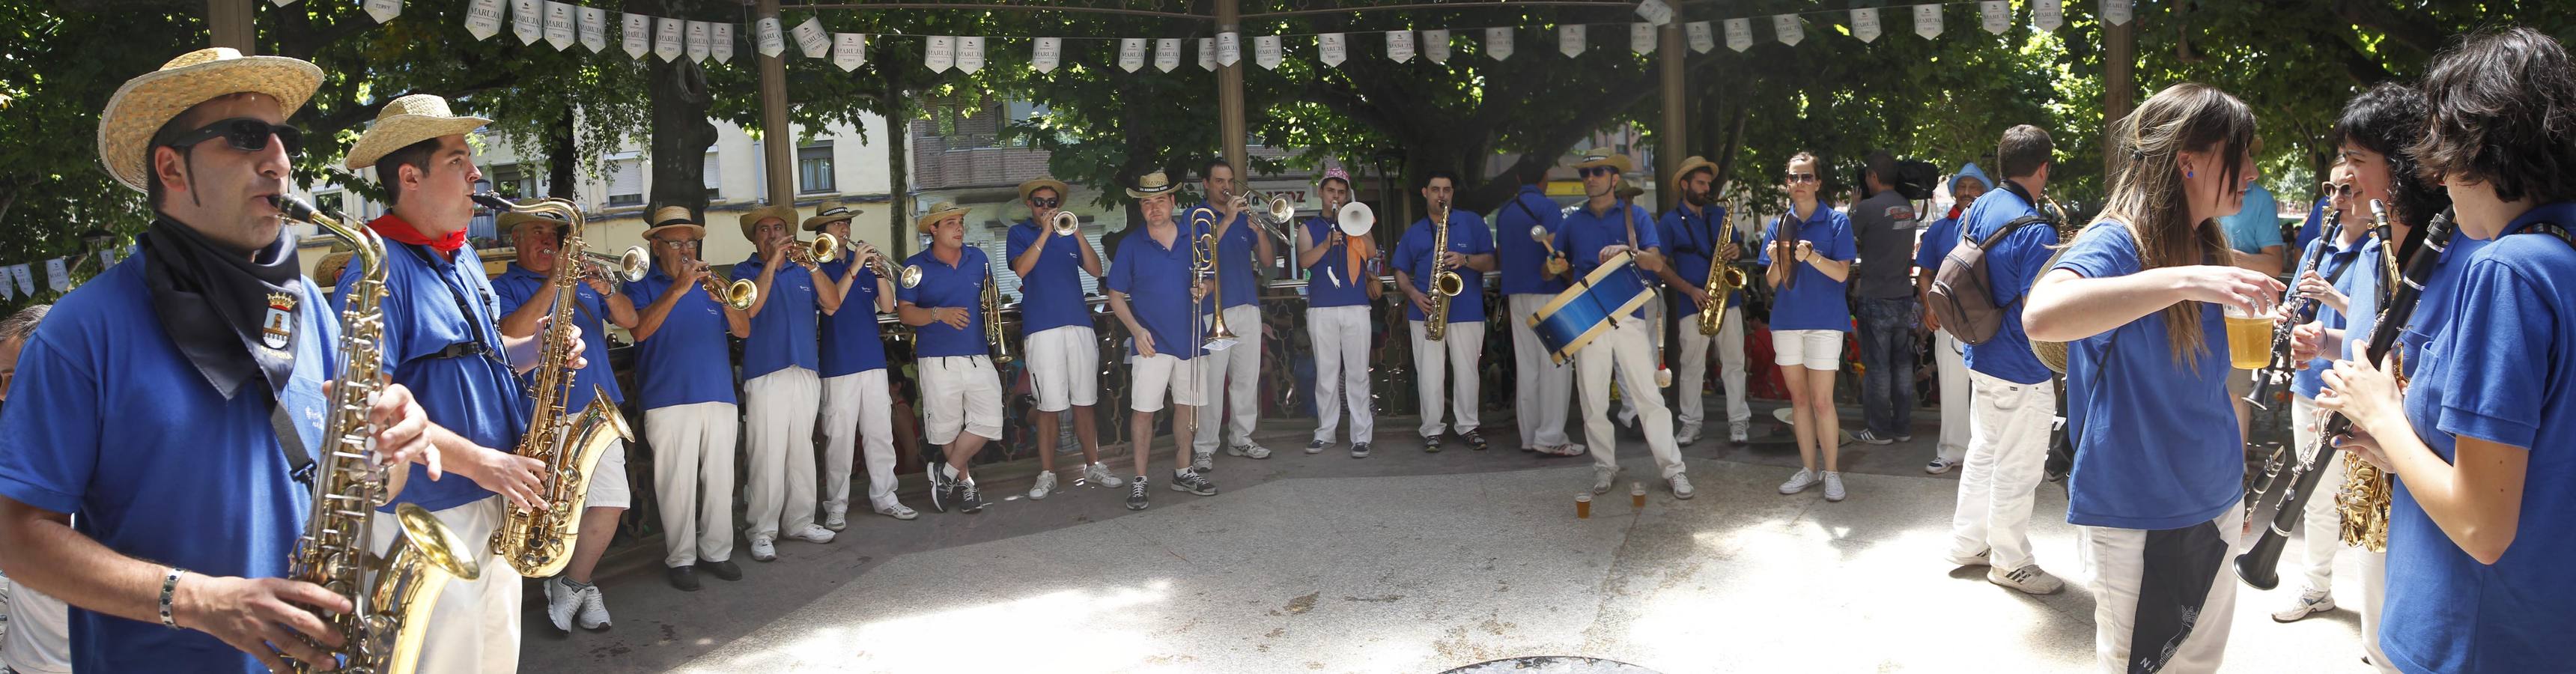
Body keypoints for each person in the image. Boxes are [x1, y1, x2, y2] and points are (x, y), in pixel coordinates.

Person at [0, 50, 449, 673]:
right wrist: (199, 601)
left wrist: (390, 451)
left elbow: (365, 488)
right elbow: (16, 538)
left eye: (283, 138)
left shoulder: (312, 311)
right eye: (244, 137)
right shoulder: (81, 331)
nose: (280, 160)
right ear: (171, 168)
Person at [2317, 27, 2576, 673]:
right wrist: (2401, 454)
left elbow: (2482, 528)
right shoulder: (2562, 253)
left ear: (2476, 147)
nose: (2433, 169)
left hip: (2475, 637)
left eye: (2439, 143)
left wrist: (2381, 413)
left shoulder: (2508, 270)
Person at [2023, 82, 2284, 673]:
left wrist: (2235, 482)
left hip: (2212, 496)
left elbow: (2218, 384)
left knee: (2197, 665)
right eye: (2239, 154)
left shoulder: (2206, 241)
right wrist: (2189, 280)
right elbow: (2042, 313)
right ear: (2188, 159)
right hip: (2140, 510)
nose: (2254, 170)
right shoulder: (2120, 239)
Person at [341, 92, 588, 674]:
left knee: (496, 659)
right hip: (429, 514)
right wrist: (481, 462)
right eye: (458, 160)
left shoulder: (464, 255)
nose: (477, 172)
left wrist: (541, 351)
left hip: (496, 493)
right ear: (410, 175)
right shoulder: (374, 271)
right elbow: (370, 411)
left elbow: (487, 355)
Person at [2284, 82, 2457, 671]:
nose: (2344, 182)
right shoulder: (2368, 255)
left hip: (2422, 469)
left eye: (2357, 163)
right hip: (2377, 458)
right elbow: (2366, 343)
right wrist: (2325, 343)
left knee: (2410, 616)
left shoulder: (2453, 260)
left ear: (2404, 169)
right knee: (2378, 604)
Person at [490, 213, 641, 632]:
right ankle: (564, 584)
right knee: (550, 510)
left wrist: (608, 290)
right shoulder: (504, 286)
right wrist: (555, 282)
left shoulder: (583, 281)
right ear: (516, 241)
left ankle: (575, 584)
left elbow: (630, 321)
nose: (547, 239)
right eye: (536, 232)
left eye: (551, 233)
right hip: (541, 413)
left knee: (611, 501)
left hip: (596, 409)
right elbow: (508, 331)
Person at [1941, 127, 2071, 595]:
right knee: (2018, 467)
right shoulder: (2036, 228)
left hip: (1980, 352)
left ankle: (1968, 544)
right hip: (2021, 363)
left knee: (1984, 453)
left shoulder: (1977, 207)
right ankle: (2011, 562)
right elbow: (2043, 306)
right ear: (2043, 169)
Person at [620, 207, 753, 591]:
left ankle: (717, 552)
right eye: (676, 242)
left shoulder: (713, 283)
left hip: (718, 394)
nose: (686, 249)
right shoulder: (641, 284)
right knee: (675, 483)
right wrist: (678, 288)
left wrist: (725, 299)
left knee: (720, 478)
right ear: (657, 246)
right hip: (668, 396)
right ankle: (681, 559)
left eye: (690, 242)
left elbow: (743, 330)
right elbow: (640, 330)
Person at [1552, 151, 1691, 499]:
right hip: (1587, 316)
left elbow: (1657, 262)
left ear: (1615, 179)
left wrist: (1629, 252)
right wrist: (1552, 267)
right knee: (1593, 399)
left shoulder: (1636, 215)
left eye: (1598, 172)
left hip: (1627, 312)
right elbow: (1552, 266)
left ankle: (1674, 469)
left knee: (1648, 395)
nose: (1590, 178)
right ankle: (1604, 466)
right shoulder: (1571, 222)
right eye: (1585, 173)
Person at [2269, 162, 2363, 625]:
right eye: (2331, 188)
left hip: (2356, 392)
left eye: (2348, 188)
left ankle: (2381, 610)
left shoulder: (2381, 250)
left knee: (2361, 499)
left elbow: (2387, 320)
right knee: (2314, 492)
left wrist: (2332, 298)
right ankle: (2316, 586)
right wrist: (2285, 316)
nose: (2337, 198)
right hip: (2311, 385)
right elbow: (2294, 304)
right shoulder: (2316, 248)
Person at [1104, 171, 1219, 509]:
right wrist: (1137, 331)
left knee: (1187, 408)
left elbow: (1211, 280)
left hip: (1192, 336)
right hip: (1150, 343)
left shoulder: (1194, 236)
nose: (1154, 208)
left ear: (1172, 202)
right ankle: (1139, 480)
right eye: (1147, 202)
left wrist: (1205, 288)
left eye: (1160, 200)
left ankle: (1183, 471)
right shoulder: (1131, 245)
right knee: (1143, 412)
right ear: (1141, 208)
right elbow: (1115, 296)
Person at [1003, 178, 1126, 497]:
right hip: (1041, 328)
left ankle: (1093, 465)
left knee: (1085, 400)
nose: (1046, 207)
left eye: (1051, 203)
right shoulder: (1019, 234)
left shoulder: (1069, 232)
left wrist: (1077, 231)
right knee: (1048, 405)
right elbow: (1021, 269)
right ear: (1030, 205)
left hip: (1078, 325)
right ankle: (1047, 473)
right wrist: (1045, 232)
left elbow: (1097, 269)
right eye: (1040, 202)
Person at [732, 204, 840, 556]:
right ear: (755, 237)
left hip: (806, 368)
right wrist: (771, 266)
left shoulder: (805, 268)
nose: (772, 234)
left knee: (801, 450)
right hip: (766, 371)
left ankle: (800, 521)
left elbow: (833, 303)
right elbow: (748, 309)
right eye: (764, 230)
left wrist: (812, 266)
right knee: (766, 453)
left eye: (777, 228)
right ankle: (761, 530)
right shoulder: (744, 271)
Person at [809, 202, 923, 523]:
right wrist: (855, 268)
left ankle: (886, 496)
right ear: (822, 232)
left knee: (879, 433)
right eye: (836, 225)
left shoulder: (860, 264)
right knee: (839, 439)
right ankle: (837, 505)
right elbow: (830, 306)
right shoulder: (818, 265)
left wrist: (881, 272)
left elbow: (887, 305)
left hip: (872, 361)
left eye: (846, 223)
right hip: (838, 363)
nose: (844, 229)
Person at [897, 203, 1007, 514]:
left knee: (989, 421)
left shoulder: (979, 258)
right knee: (947, 428)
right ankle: (967, 484)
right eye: (951, 223)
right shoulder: (916, 266)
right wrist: (938, 314)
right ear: (933, 229)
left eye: (960, 222)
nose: (960, 228)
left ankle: (943, 474)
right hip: (937, 358)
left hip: (977, 353)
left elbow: (989, 298)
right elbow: (905, 313)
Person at [1762, 152, 1858, 503]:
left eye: (1806, 177)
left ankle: (1832, 473)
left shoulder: (1836, 222)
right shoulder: (1777, 225)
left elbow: (1842, 273)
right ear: (1787, 183)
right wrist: (1777, 259)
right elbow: (1773, 281)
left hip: (1824, 322)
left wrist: (1811, 256)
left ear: (1818, 182)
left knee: (1822, 401)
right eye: (1793, 177)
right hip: (1786, 322)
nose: (1799, 184)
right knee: (1799, 400)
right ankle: (1809, 469)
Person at [1392, 170, 1498, 452]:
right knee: (1428, 374)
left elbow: (1490, 261)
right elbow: (1400, 271)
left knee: (1467, 372)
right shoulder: (1414, 232)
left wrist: (1465, 259)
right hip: (1424, 311)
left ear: (1453, 193)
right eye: (1436, 189)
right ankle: (1431, 430)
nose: (1442, 195)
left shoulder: (1472, 223)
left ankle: (1468, 426)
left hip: (1467, 311)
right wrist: (1414, 294)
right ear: (1425, 192)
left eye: (1447, 190)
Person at [1653, 157, 1751, 447]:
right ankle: (1691, 423)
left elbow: (1734, 248)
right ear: (1684, 184)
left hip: (1726, 301)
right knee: (1692, 366)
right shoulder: (1669, 222)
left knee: (1734, 362)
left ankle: (1738, 421)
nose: (1707, 188)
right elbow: (1658, 264)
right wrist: (1690, 289)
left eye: (1709, 183)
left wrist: (1736, 248)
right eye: (1700, 183)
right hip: (1691, 302)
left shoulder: (1719, 215)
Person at [1189, 160, 1277, 469]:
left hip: (1247, 307)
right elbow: (1200, 252)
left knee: (1246, 378)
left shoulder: (1242, 217)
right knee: (1212, 382)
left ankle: (1241, 438)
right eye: (1219, 181)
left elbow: (1266, 261)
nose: (1226, 187)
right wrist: (1226, 220)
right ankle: (1204, 446)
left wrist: (1260, 230)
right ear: (1206, 183)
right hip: (1214, 311)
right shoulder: (1197, 216)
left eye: (1229, 181)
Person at [1495, 163, 1582, 458]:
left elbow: (1500, 254)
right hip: (1547, 293)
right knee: (1555, 366)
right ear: (1545, 177)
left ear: (1519, 177)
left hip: (1515, 294)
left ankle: (1529, 435)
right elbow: (1556, 254)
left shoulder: (1505, 211)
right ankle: (1551, 436)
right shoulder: (1548, 207)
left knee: (1528, 367)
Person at [0, 303, 69, 674]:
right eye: (1, 376)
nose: (4, 392)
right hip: (23, 664)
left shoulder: (121, 455)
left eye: (17, 375)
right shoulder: (12, 451)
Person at [1296, 167, 1382, 458]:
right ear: (1321, 192)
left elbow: (1370, 252)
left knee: (1358, 373)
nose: (1336, 196)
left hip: (1356, 306)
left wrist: (1355, 228)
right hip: (1322, 308)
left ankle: (1362, 435)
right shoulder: (1309, 227)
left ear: (1347, 196)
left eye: (1341, 192)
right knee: (1327, 375)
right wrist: (1325, 244)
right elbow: (1305, 261)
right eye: (1331, 191)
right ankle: (1326, 432)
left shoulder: (1358, 221)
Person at [1916, 163, 1989, 474]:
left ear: (1984, 192)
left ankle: (1986, 454)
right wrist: (1929, 307)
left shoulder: (1994, 224)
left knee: (1990, 388)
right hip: (1949, 319)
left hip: (1987, 320)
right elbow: (1925, 275)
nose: (1968, 192)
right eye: (1963, 187)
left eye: (1974, 187)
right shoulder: (1939, 230)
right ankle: (1952, 450)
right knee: (1952, 384)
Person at [1847, 151, 1923, 446]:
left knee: (1878, 367)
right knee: (1902, 366)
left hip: (1876, 297)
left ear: (1874, 177)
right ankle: (1902, 427)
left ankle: (1879, 430)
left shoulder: (1867, 208)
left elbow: (1846, 241)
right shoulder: (1907, 207)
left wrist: (1855, 208)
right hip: (1904, 295)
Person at [2218, 178, 2285, 445]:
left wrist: (2221, 255)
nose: (2252, 171)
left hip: (2238, 314)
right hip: (2191, 310)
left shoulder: (2259, 199)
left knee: (2235, 394)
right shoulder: (2189, 189)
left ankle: (2238, 473)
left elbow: (2274, 265)